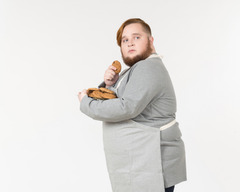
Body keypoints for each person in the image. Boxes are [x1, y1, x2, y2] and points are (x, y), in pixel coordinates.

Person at [78, 18, 186, 192]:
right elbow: (122, 99)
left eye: (136, 37)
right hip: (143, 165)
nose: (129, 43)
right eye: (125, 40)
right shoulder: (138, 68)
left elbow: (125, 107)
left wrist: (86, 103)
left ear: (150, 40)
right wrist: (109, 84)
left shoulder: (147, 68)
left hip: (151, 165)